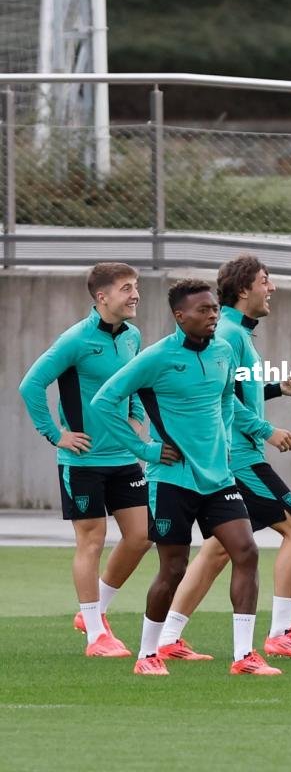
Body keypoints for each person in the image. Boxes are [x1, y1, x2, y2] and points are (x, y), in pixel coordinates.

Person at [92, 279, 280, 675]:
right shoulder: (156, 357)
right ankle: (147, 656)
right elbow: (104, 401)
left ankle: (244, 656)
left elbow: (228, 395)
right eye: (203, 310)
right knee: (173, 568)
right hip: (172, 480)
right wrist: (144, 449)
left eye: (214, 308)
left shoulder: (224, 350)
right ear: (180, 316)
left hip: (219, 478)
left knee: (246, 550)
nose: (213, 315)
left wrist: (226, 439)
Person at [155, 255, 291, 662]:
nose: (273, 288)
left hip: (230, 455)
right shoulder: (228, 332)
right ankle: (280, 632)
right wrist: (268, 431)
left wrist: (278, 389)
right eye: (266, 280)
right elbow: (221, 402)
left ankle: (168, 638)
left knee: (217, 549)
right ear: (245, 289)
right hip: (240, 457)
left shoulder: (234, 332)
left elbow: (236, 390)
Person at [19, 263, 154, 657]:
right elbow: (30, 385)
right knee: (92, 540)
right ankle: (96, 635)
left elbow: (136, 380)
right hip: (82, 462)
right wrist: (55, 433)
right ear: (102, 297)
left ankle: (96, 613)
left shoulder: (132, 336)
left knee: (142, 535)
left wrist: (137, 418)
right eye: (127, 289)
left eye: (136, 287)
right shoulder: (75, 339)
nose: (135, 295)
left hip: (124, 458)